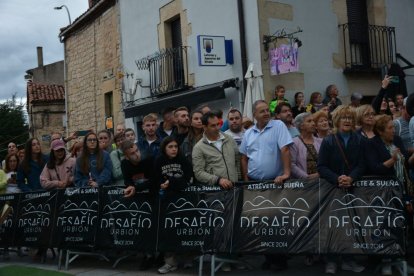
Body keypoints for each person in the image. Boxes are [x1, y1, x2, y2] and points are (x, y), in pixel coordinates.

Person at [240, 100, 292, 271]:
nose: (266, 113)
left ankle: (280, 259)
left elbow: (285, 149)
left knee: (276, 221)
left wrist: (286, 173)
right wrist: (247, 181)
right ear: (254, 114)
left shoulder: (278, 126)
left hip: (275, 182)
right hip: (255, 183)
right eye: (261, 111)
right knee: (261, 222)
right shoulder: (248, 133)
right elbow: (244, 157)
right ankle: (268, 257)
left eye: (267, 110)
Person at [317, 105, 365, 274]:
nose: (347, 120)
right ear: (337, 120)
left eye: (350, 118)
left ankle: (348, 259)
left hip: (353, 189)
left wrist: (351, 178)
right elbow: (321, 166)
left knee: (351, 225)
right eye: (344, 117)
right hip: (332, 190)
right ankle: (331, 260)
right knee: (332, 225)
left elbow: (362, 164)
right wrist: (337, 178)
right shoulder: (328, 140)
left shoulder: (360, 140)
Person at [155, 137, 193, 274]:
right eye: (170, 147)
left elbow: (187, 180)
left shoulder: (183, 160)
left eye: (176, 146)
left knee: (185, 229)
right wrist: (164, 183)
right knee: (168, 231)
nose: (174, 149)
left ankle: (188, 258)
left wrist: (170, 181)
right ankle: (170, 262)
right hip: (166, 200)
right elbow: (156, 179)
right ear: (164, 148)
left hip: (183, 199)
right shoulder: (159, 160)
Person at [192, 112, 240, 187]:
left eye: (218, 124)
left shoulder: (229, 139)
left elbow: (237, 161)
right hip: (216, 191)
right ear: (204, 127)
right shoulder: (198, 148)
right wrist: (218, 180)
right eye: (213, 126)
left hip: (235, 187)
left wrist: (239, 180)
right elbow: (198, 173)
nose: (217, 128)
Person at [290, 112, 322, 179]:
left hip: (321, 181)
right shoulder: (294, 143)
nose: (313, 123)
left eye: (313, 121)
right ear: (301, 126)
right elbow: (291, 165)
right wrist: (306, 177)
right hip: (303, 183)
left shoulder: (320, 141)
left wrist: (320, 174)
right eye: (309, 121)